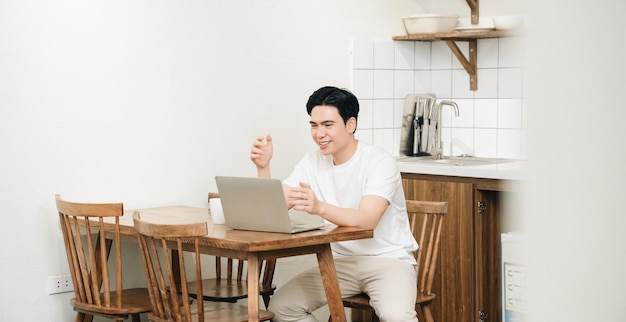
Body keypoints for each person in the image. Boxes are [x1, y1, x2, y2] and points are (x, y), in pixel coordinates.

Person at [249, 86, 419, 322]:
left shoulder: (379, 162)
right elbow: (273, 208)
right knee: (281, 308)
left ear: (350, 125)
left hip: (388, 261)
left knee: (397, 318)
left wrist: (319, 207)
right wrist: (263, 167)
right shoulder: (312, 161)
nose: (319, 133)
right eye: (314, 125)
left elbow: (367, 220)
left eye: (328, 125)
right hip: (338, 263)